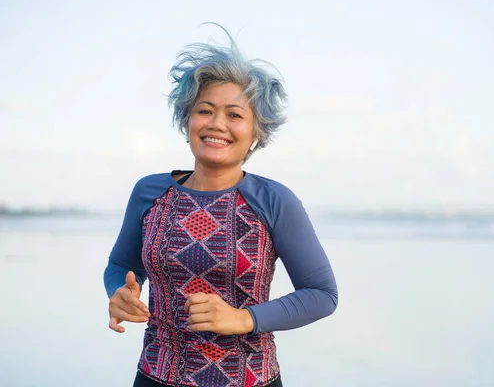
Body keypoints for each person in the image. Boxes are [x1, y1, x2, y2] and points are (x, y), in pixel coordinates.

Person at [103, 25, 338, 387]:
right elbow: (120, 265)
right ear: (186, 119)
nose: (217, 124)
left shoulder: (274, 200)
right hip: (154, 376)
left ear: (256, 132)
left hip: (249, 379)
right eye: (205, 110)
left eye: (234, 114)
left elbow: (322, 295)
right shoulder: (149, 192)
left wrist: (245, 318)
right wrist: (119, 292)